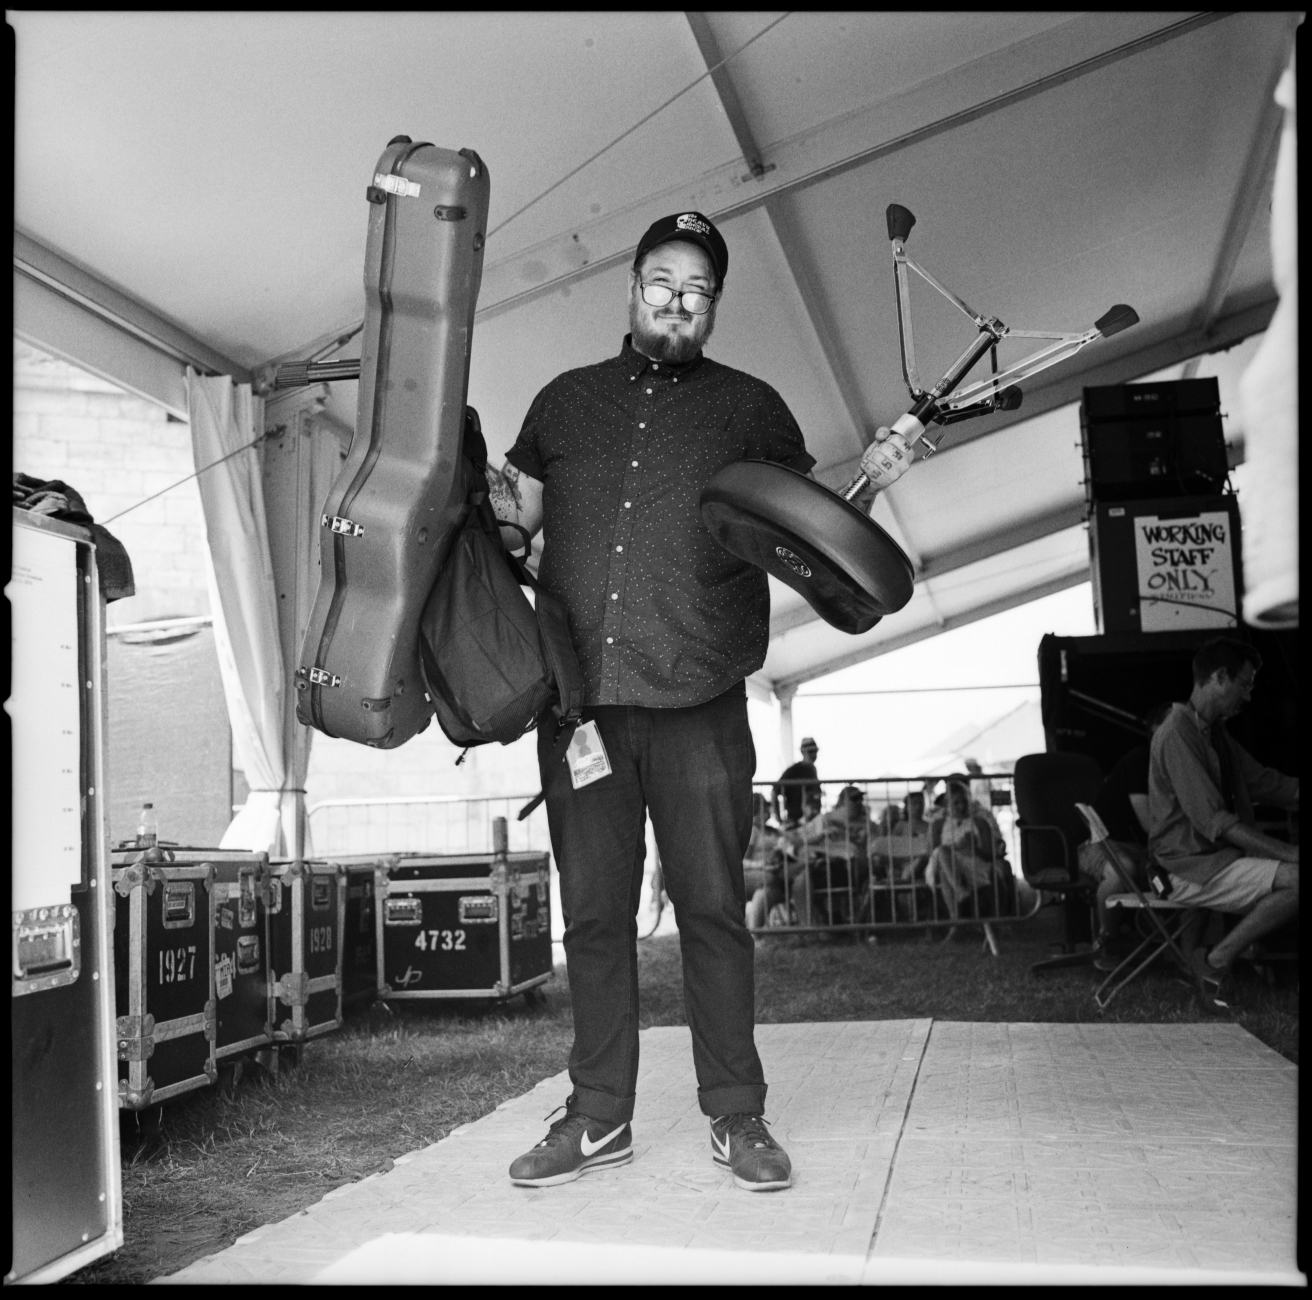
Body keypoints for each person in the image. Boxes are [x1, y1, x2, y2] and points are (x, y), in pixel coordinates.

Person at [484, 209, 916, 1193]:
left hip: (702, 702)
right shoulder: (563, 405)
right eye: (662, 281)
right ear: (632, 287)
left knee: (715, 912)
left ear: (712, 305)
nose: (678, 300)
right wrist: (481, 499)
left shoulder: (753, 410)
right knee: (594, 919)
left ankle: (737, 1113)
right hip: (580, 710)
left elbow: (818, 540)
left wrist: (874, 485)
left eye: (698, 289)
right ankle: (599, 1117)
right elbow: (516, 526)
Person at [1149, 637, 1299, 1000]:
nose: (1247, 696)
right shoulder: (1177, 733)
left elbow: (1266, 783)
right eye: (1244, 684)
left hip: (1211, 861)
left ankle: (1219, 961)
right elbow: (1215, 821)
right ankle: (1215, 961)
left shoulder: (1212, 732)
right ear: (1218, 677)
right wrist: (1288, 853)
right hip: (1186, 867)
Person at [1077, 703, 1173, 970]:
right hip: (1103, 846)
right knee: (1123, 871)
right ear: (1155, 730)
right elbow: (1150, 824)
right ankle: (1107, 939)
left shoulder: (1178, 766)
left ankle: (1184, 951)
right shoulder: (1140, 760)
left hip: (1148, 851)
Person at [925, 777, 1013, 933]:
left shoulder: (980, 822)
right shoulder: (938, 824)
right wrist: (956, 847)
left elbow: (989, 854)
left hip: (974, 863)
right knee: (942, 853)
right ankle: (962, 897)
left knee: (947, 875)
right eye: (956, 803)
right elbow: (932, 852)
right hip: (944, 863)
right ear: (947, 805)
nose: (961, 807)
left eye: (964, 802)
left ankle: (957, 923)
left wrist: (974, 848)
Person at [772, 737, 821, 827]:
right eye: (810, 751)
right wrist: (779, 818)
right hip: (796, 821)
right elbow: (775, 791)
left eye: (814, 751)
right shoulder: (794, 770)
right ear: (803, 752)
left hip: (812, 820)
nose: (813, 755)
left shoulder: (812, 770)